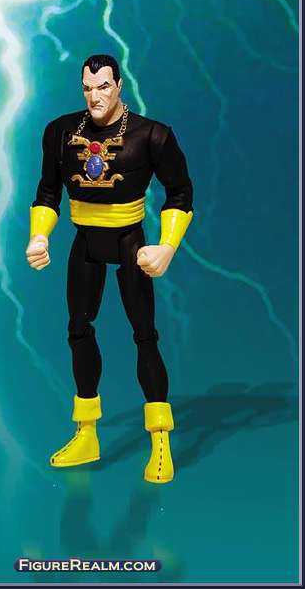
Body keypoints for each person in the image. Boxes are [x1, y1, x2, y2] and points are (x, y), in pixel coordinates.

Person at [26, 54, 193, 483]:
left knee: (144, 335)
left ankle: (160, 439)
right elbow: (48, 190)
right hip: (84, 241)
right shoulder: (61, 131)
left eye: (103, 86)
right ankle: (87, 433)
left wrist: (167, 246)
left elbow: (179, 192)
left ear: (119, 85)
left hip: (130, 242)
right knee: (78, 331)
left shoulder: (152, 134)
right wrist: (39, 235)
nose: (94, 96)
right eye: (87, 87)